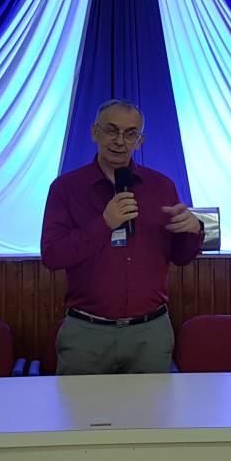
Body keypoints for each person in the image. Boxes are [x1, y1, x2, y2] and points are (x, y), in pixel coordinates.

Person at [41, 99, 204, 374]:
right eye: (111, 130)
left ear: (140, 141)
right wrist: (104, 223)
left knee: (152, 405)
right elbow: (52, 256)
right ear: (95, 133)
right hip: (87, 333)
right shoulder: (65, 188)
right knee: (80, 405)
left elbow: (180, 257)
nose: (120, 141)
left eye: (130, 134)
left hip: (150, 333)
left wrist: (193, 230)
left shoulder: (162, 186)